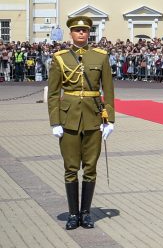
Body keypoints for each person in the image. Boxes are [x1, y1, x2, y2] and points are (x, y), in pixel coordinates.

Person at [47, 15, 115, 230]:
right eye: (77, 31)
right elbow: (53, 93)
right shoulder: (60, 58)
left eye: (84, 31)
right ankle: (73, 214)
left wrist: (110, 119)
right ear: (71, 34)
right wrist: (54, 122)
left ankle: (86, 213)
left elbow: (108, 91)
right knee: (70, 167)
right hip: (68, 118)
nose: (81, 34)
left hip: (94, 117)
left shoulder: (101, 56)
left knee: (90, 167)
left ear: (89, 33)